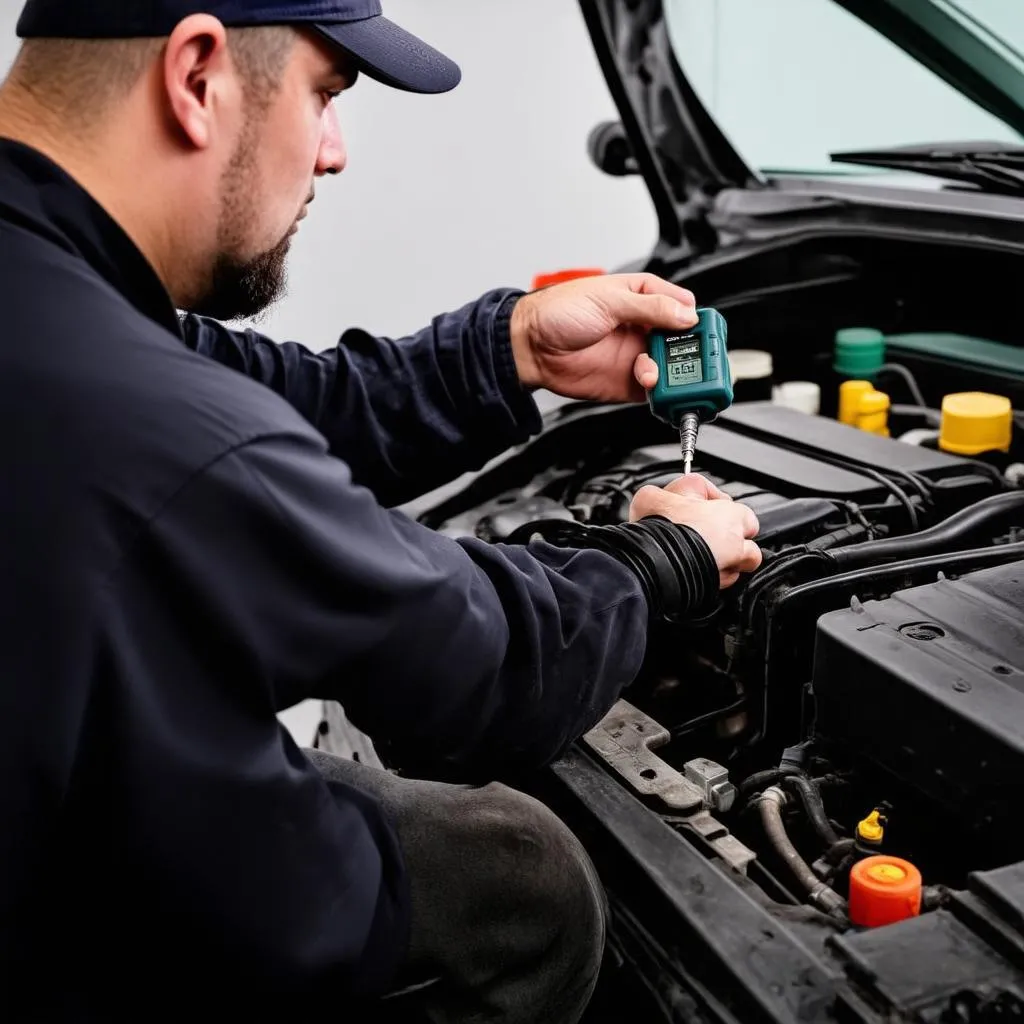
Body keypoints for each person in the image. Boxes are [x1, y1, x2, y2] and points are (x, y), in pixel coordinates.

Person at [0, 1, 762, 1021]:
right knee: (522, 879)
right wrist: (658, 560)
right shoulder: (134, 408)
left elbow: (291, 400)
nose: (334, 152)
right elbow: (479, 677)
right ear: (195, 78)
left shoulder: (51, 287)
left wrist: (515, 350)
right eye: (324, 96)